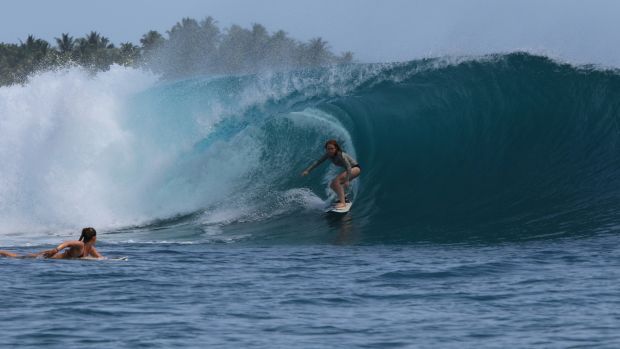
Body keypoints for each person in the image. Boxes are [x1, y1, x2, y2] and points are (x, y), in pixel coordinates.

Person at [302, 139, 361, 209]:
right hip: (350, 170)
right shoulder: (328, 155)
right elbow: (318, 162)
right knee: (332, 185)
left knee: (336, 181)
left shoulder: (340, 155)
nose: (330, 150)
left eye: (332, 148)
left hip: (355, 169)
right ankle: (344, 198)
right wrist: (308, 170)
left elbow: (348, 167)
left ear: (336, 149)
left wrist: (347, 180)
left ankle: (343, 203)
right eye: (328, 149)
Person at [0, 227, 103, 259]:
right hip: (48, 256)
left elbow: (101, 259)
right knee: (18, 257)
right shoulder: (80, 244)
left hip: (51, 258)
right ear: (94, 237)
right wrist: (55, 250)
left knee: (19, 257)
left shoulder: (90, 249)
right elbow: (67, 243)